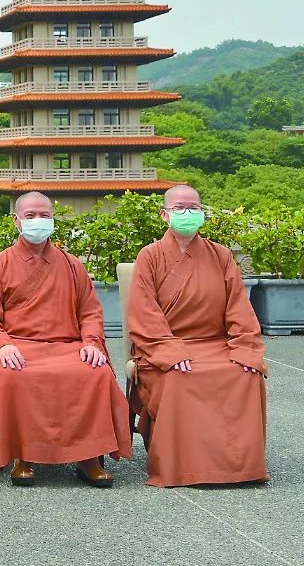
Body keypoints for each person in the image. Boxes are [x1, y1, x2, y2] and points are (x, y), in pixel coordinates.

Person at [0, 191, 132, 487]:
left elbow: (90, 311)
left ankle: (90, 457)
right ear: (16, 221)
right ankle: (23, 456)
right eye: (30, 216)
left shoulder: (71, 265)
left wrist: (92, 342)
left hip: (68, 346)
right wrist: (1, 344)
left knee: (95, 373)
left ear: (53, 220)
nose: (38, 221)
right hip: (18, 345)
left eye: (44, 215)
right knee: (11, 375)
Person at [127, 184, 269, 487]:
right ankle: (184, 467)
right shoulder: (149, 257)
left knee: (246, 373)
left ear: (202, 214)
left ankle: (238, 467)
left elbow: (240, 309)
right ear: (165, 215)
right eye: (180, 208)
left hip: (216, 344)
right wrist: (170, 352)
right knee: (180, 375)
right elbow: (143, 312)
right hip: (164, 346)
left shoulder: (221, 256)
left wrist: (245, 349)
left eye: (194, 208)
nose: (187, 213)